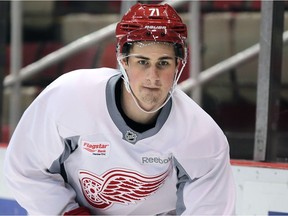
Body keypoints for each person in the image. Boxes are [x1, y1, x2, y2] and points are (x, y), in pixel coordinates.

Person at [4, 3, 236, 215]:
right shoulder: (69, 97)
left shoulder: (202, 138)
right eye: (142, 62)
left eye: (163, 63)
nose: (152, 77)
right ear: (123, 61)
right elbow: (25, 169)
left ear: (179, 65)